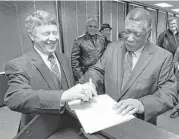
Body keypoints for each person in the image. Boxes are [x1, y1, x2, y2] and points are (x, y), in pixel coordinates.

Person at [4, 10, 97, 132]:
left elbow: (69, 86)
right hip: (41, 130)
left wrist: (82, 88)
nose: (53, 38)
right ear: (32, 36)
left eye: (55, 32)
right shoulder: (18, 65)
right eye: (46, 33)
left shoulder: (64, 58)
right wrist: (62, 96)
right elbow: (15, 98)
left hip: (67, 127)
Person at [81, 8, 178, 124]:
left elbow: (169, 94)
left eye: (137, 34)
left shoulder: (163, 57)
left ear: (149, 33)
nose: (130, 38)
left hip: (138, 123)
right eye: (127, 31)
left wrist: (142, 104)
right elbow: (97, 70)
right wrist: (89, 83)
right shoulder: (113, 47)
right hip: (107, 117)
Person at [71, 18, 106, 86]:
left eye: (95, 26)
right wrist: (80, 76)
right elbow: (74, 60)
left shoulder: (102, 39)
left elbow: (104, 56)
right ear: (86, 27)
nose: (92, 28)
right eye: (90, 26)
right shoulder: (79, 40)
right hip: (85, 73)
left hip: (100, 74)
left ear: (97, 28)